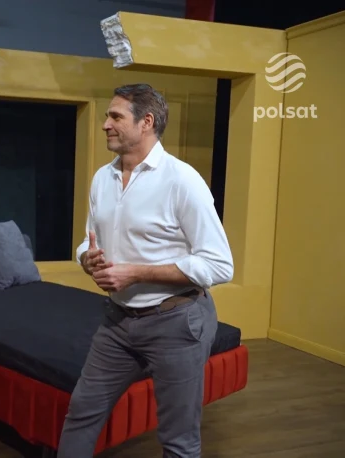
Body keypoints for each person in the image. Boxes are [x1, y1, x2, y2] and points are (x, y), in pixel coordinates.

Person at [57, 83, 234, 458]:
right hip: (118, 321)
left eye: (115, 116)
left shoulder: (182, 180)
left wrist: (136, 273)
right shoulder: (102, 178)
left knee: (178, 440)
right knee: (81, 414)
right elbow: (89, 240)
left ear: (146, 122)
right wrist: (88, 258)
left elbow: (218, 264)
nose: (105, 124)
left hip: (177, 323)